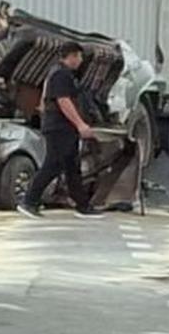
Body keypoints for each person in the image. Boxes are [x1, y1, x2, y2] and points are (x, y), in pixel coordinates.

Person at [17, 41, 104, 219]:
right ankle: (29, 201)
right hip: (59, 127)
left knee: (72, 167)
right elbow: (63, 101)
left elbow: (46, 97)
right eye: (79, 56)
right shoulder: (61, 74)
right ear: (71, 56)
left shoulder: (56, 73)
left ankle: (83, 205)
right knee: (53, 165)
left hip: (63, 127)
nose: (80, 60)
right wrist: (80, 124)